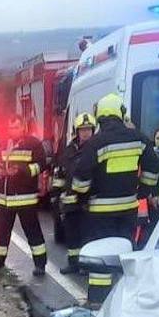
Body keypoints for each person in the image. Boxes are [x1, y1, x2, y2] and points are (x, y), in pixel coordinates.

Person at [71, 93, 159, 304]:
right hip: (129, 208)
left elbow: (82, 175)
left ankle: (98, 302)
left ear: (100, 116)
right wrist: (143, 192)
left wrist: (81, 198)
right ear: (121, 113)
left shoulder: (96, 142)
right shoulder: (139, 138)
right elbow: (153, 166)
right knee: (125, 253)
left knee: (101, 257)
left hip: (100, 212)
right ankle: (127, 299)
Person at [0, 114, 48, 275]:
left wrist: (22, 171)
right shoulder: (4, 143)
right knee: (1, 234)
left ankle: (40, 264)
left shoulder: (33, 144)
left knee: (33, 232)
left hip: (25, 198)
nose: (12, 131)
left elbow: (42, 164)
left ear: (23, 127)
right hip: (5, 199)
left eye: (15, 127)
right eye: (10, 127)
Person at [53, 112, 95, 273]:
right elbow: (60, 173)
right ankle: (73, 264)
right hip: (70, 202)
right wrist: (56, 195)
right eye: (82, 130)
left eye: (88, 129)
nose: (85, 133)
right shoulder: (68, 150)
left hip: (88, 202)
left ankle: (86, 265)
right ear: (76, 131)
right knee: (72, 235)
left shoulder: (95, 148)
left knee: (88, 235)